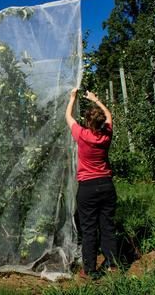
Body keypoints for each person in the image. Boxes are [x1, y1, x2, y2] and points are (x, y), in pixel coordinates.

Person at [65, 87, 117, 278]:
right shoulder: (107, 135)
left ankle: (89, 270)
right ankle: (112, 265)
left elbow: (68, 116)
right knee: (108, 226)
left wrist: (72, 97)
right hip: (106, 186)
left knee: (88, 230)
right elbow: (109, 115)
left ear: (87, 122)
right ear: (101, 123)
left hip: (87, 188)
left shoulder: (82, 135)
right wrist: (96, 100)